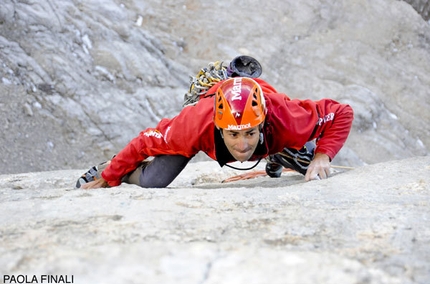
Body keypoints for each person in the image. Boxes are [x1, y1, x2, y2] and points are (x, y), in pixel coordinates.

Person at [76, 57, 353, 189]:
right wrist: (109, 176)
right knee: (154, 180)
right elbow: (144, 142)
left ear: (263, 123)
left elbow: (341, 113)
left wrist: (322, 155)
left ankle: (277, 157)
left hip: (272, 128)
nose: (242, 146)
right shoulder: (195, 123)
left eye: (249, 133)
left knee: (308, 164)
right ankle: (110, 165)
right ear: (219, 128)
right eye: (233, 135)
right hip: (209, 98)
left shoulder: (284, 118)